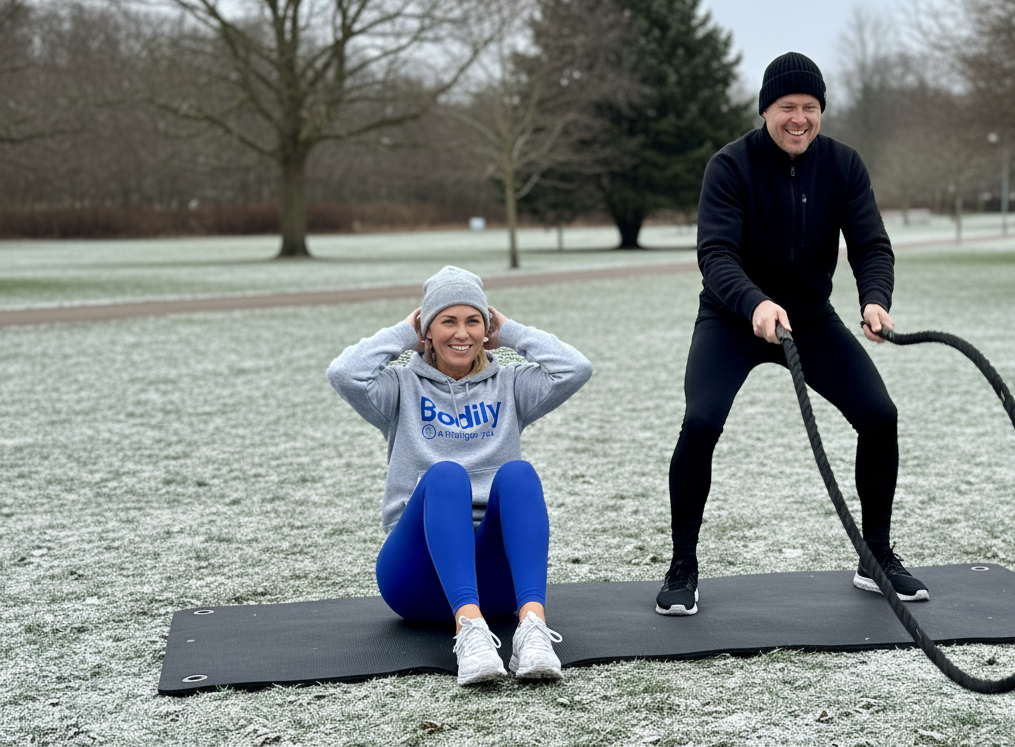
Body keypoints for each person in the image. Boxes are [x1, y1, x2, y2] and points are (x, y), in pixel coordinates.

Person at [655, 52, 929, 616]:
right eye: (787, 107)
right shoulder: (729, 166)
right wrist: (754, 302)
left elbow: (871, 244)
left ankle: (875, 556)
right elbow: (716, 254)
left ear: (821, 111)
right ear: (765, 111)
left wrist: (875, 300)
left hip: (810, 320)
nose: (799, 118)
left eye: (810, 107)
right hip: (732, 320)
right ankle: (683, 565)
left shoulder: (843, 165)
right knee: (700, 422)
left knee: (880, 416)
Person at [328, 265, 592, 684]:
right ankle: (469, 633)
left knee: (519, 474)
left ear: (487, 329)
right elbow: (344, 373)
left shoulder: (509, 384)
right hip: (416, 578)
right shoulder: (399, 388)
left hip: (494, 589)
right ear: (427, 331)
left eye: (473, 321)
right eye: (447, 321)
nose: (462, 333)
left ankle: (532, 631)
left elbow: (575, 368)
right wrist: (402, 334)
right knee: (446, 476)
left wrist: (512, 332)